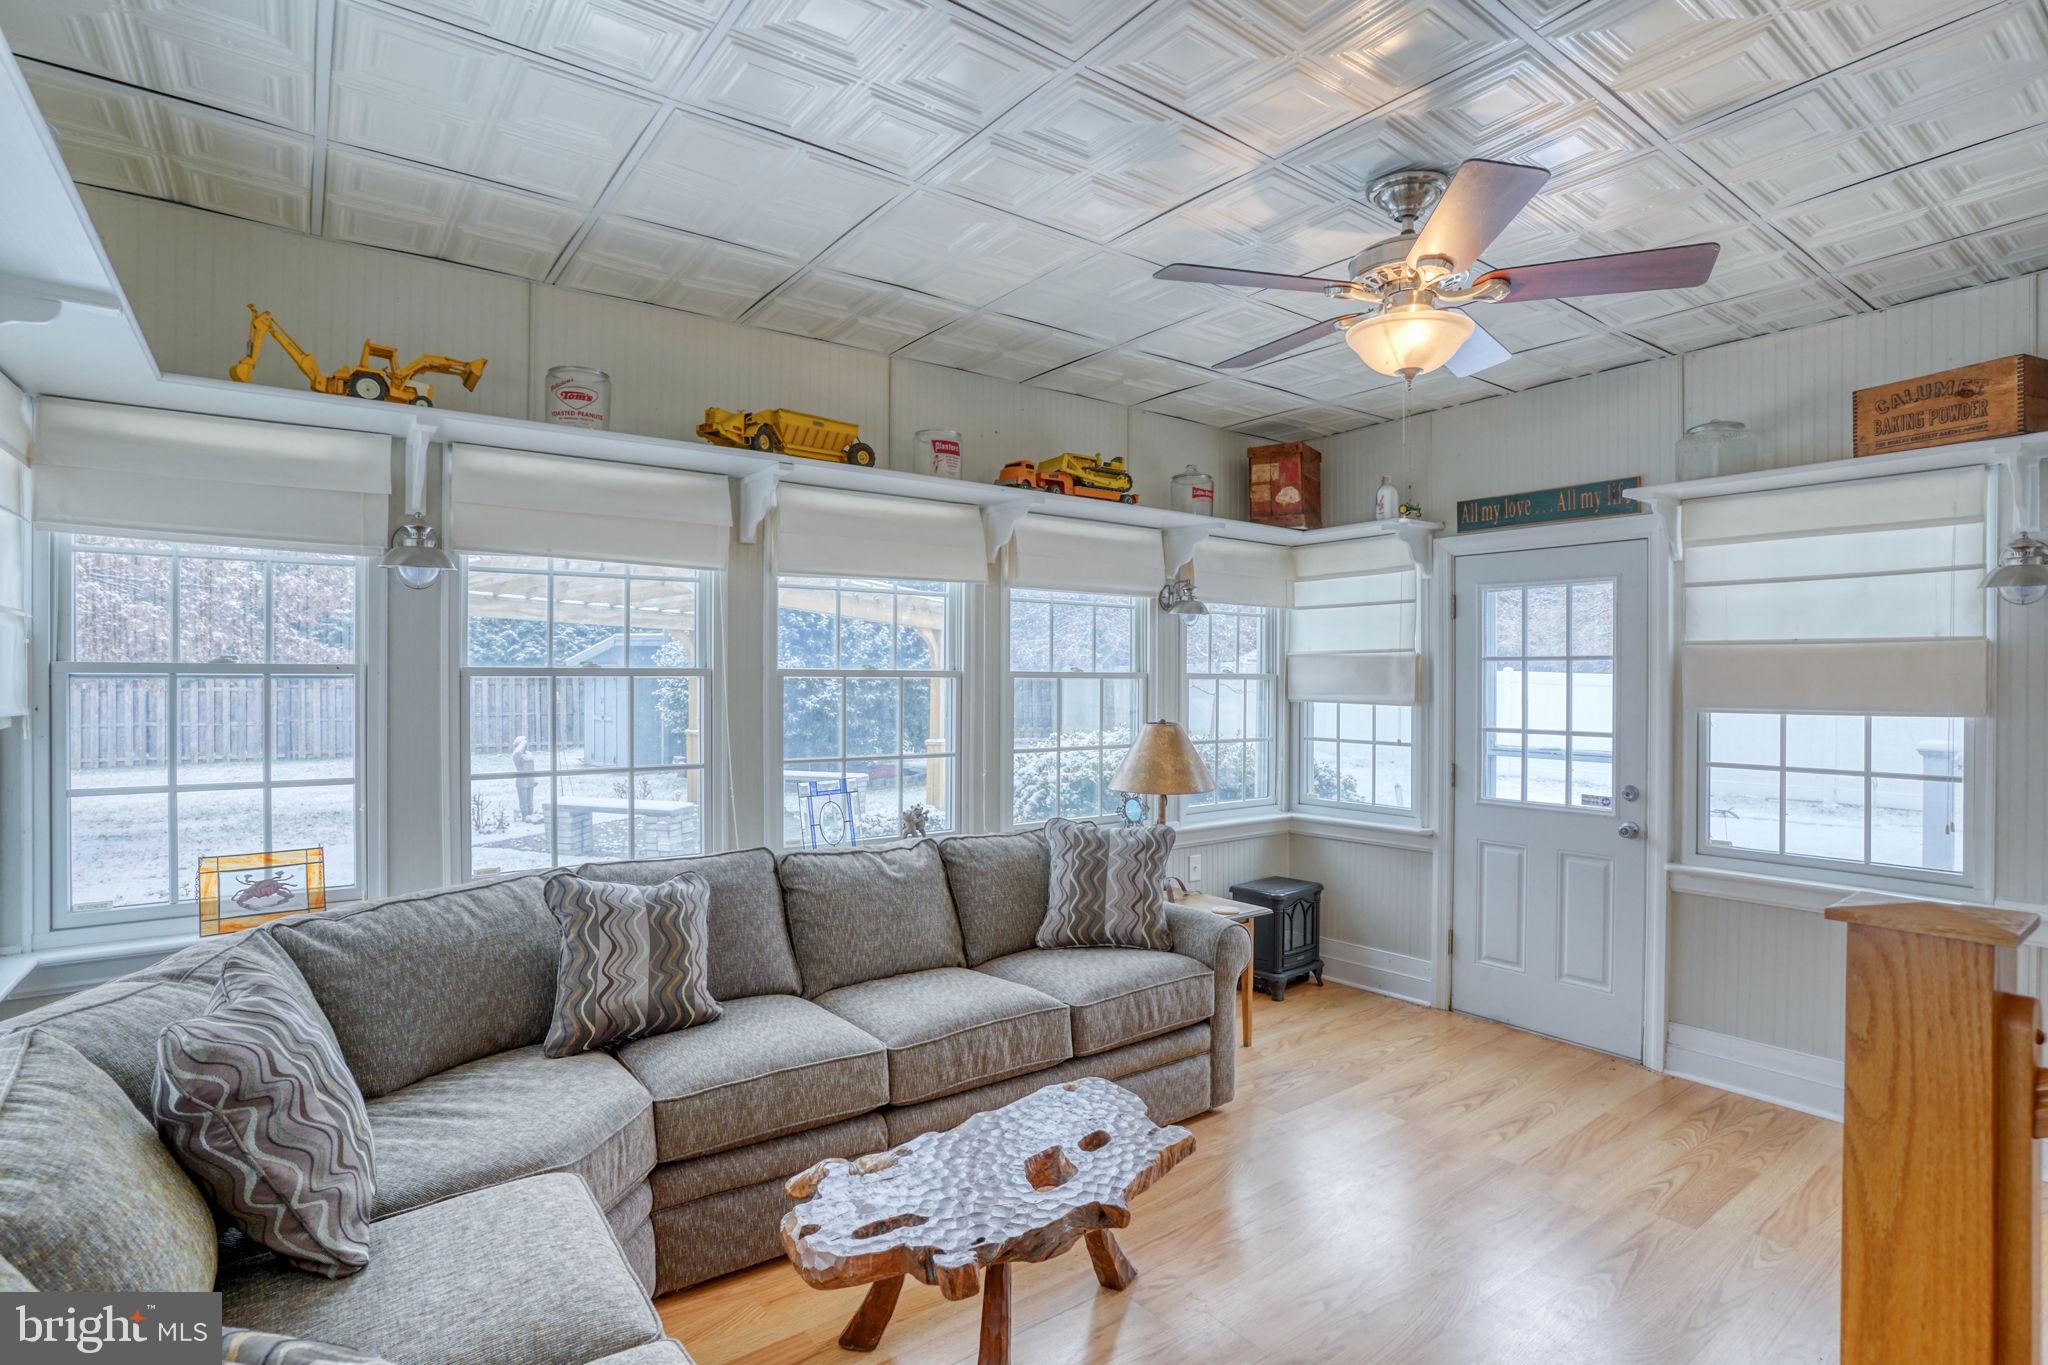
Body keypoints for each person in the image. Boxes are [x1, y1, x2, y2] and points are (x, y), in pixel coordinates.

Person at [511, 735, 536, 820]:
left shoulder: (529, 754)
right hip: (521, 781)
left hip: (530, 780)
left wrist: (535, 778)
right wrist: (523, 741)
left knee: (530, 801)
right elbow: (518, 752)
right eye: (524, 744)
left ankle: (531, 815)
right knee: (523, 801)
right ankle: (524, 816)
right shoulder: (516, 755)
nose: (526, 745)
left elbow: (533, 767)